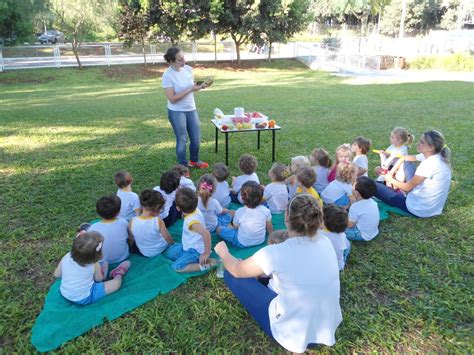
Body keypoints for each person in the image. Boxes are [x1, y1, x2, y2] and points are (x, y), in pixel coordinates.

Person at [214, 194, 342, 353]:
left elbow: (236, 270)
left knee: (230, 274)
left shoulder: (276, 253)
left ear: (287, 217)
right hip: (325, 326)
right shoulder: (325, 241)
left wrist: (224, 253)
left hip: (291, 333)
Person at [374, 130, 452, 218]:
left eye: (422, 142)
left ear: (431, 147)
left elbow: (407, 187)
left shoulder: (429, 164)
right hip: (431, 208)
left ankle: (394, 187)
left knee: (370, 184)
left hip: (417, 209)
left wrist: (389, 178)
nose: (418, 143)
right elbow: (406, 158)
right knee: (407, 163)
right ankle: (395, 185)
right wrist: (394, 168)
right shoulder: (437, 156)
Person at [54, 231, 131, 305]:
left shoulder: (67, 256)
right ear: (97, 254)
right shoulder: (94, 265)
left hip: (65, 293)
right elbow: (99, 279)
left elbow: (57, 275)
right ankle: (118, 273)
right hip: (85, 297)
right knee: (116, 284)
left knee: (104, 265)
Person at [162, 47, 208, 169]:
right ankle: (183, 167)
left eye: (184, 58)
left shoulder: (187, 69)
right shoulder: (168, 75)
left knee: (196, 139)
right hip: (176, 111)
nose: (184, 62)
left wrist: (201, 86)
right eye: (180, 60)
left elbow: (192, 88)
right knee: (182, 140)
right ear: (171, 62)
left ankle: (194, 160)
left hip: (191, 108)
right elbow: (172, 98)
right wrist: (191, 89)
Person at [164, 187, 214, 272]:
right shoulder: (194, 210)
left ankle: (208, 264)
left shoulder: (192, 222)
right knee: (169, 253)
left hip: (195, 251)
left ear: (178, 208)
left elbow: (206, 234)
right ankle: (188, 257)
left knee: (177, 267)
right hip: (186, 246)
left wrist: (206, 253)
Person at [217, 181, 273, 248]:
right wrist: (271, 235)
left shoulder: (240, 212)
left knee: (219, 229)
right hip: (260, 241)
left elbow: (235, 227)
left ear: (243, 198)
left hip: (242, 242)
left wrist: (229, 225)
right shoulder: (266, 210)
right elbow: (269, 227)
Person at [129, 189, 174, 257]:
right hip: (161, 249)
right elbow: (167, 238)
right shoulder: (157, 221)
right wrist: (173, 244)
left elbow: (131, 239)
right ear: (157, 207)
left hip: (145, 252)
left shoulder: (132, 221)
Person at [88, 195, 130, 264]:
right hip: (122, 257)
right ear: (118, 212)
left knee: (84, 228)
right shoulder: (124, 222)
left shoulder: (93, 228)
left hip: (101, 261)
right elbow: (129, 238)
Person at [345, 177, 380, 242]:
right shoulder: (373, 202)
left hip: (361, 234)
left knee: (338, 229)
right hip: (373, 232)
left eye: (353, 184)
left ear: (356, 192)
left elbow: (349, 225)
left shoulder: (355, 207)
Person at [321, 204, 350, 271]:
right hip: (338, 267)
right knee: (347, 244)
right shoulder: (342, 235)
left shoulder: (319, 234)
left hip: (324, 266)